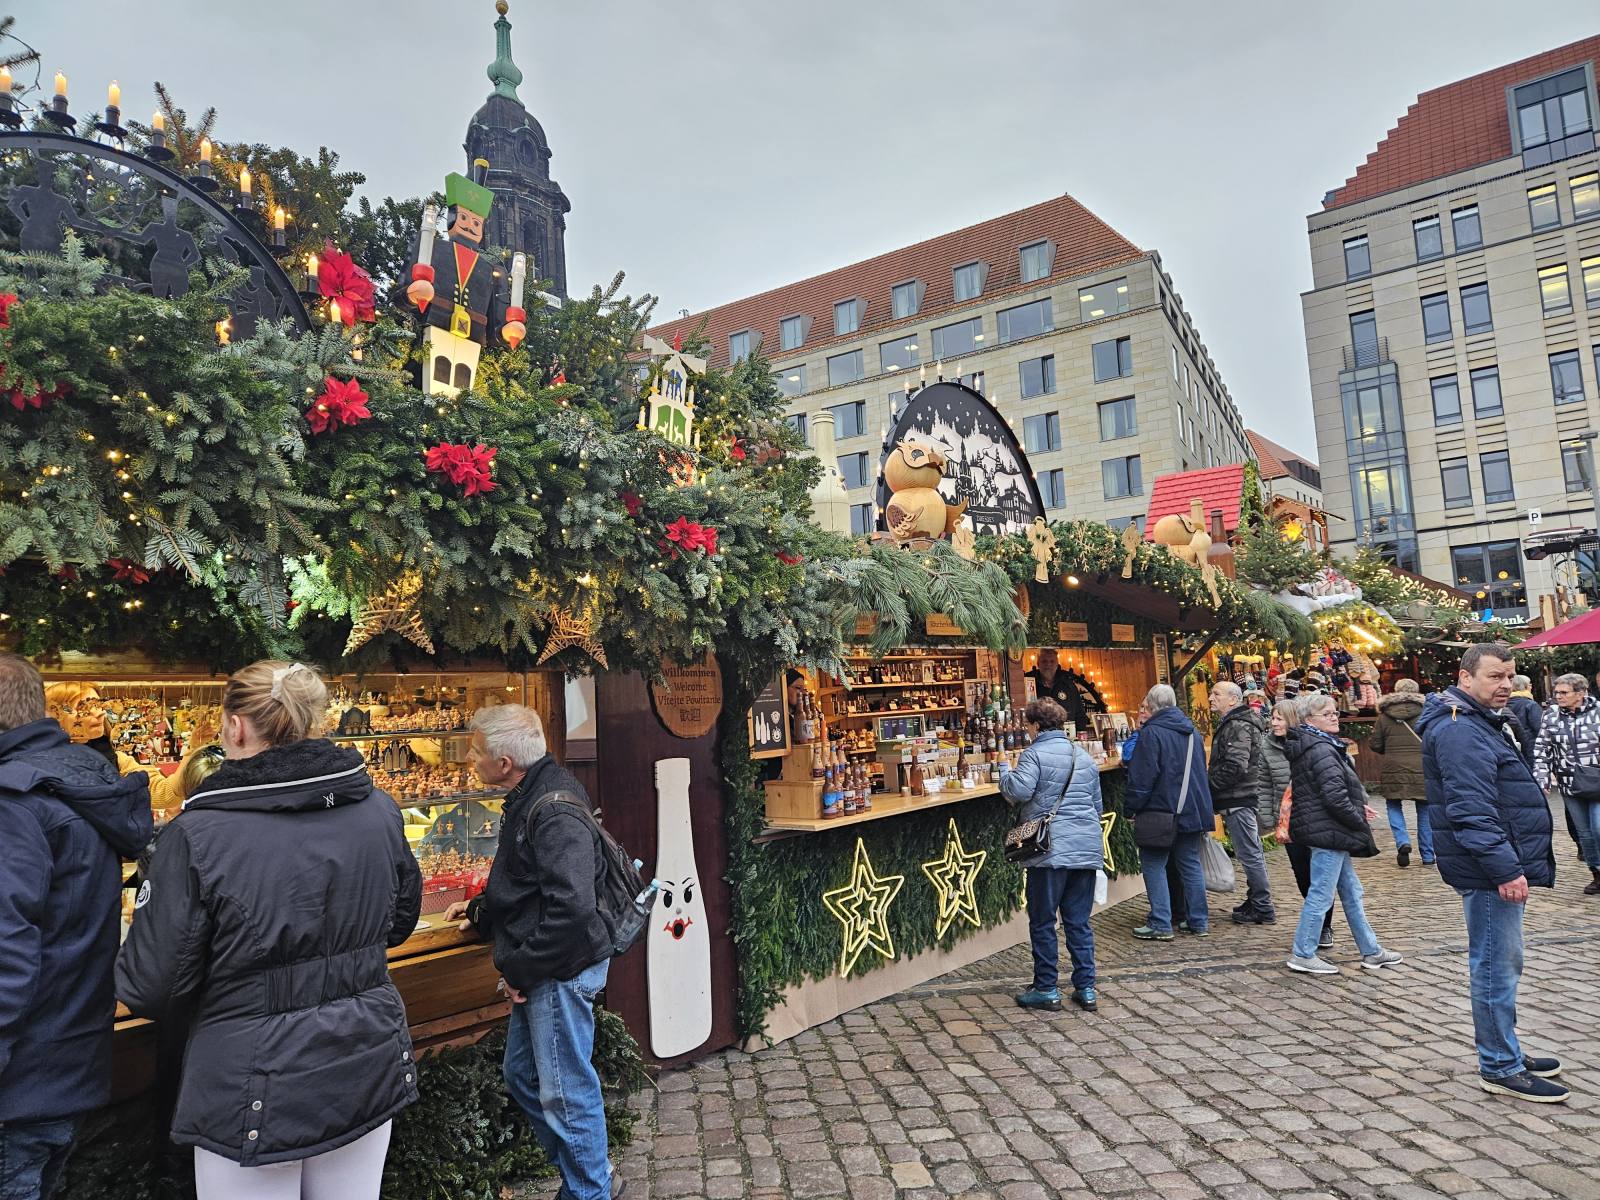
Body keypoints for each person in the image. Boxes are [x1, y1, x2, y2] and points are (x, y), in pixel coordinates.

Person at [116, 661, 421, 1198]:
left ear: (235, 726)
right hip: (363, 1056)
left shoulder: (199, 835)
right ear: (315, 721)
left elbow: (151, 984)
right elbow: (399, 923)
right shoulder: (377, 810)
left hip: (249, 1077)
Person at [445, 705, 621, 1200]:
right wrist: (482, 912)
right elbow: (526, 885)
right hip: (545, 965)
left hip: (559, 969)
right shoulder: (529, 795)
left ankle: (590, 1191)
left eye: (477, 751)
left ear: (505, 762)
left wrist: (520, 970)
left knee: (565, 1093)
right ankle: (590, 1176)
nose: (470, 760)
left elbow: (570, 910)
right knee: (523, 1076)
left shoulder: (553, 809)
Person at [0, 654, 152, 1200]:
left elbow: (6, 955)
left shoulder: (14, 803)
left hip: (18, 1086)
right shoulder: (78, 786)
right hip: (69, 1067)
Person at [1420, 643, 1565, 1103]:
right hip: (1487, 871)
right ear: (1466, 679)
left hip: (1494, 864)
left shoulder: (1480, 722)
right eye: (1494, 677)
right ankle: (1500, 1065)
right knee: (1494, 968)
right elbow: (1472, 811)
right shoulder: (1461, 730)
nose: (1504, 685)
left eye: (1509, 676)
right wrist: (1505, 869)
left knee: (1505, 963)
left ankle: (1508, 1051)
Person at [1284, 692, 1402, 975]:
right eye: (1327, 713)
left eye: (1334, 711)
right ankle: (1303, 952)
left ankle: (1371, 950)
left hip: (1329, 830)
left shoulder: (1318, 744)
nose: (1334, 716)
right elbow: (1334, 797)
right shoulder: (1321, 749)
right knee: (1321, 894)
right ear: (1309, 719)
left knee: (1351, 892)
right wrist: (1357, 819)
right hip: (1329, 831)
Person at [1002, 698, 1104, 1013]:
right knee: (1078, 921)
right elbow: (1097, 806)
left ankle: (1046, 987)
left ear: (1034, 726)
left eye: (1028, 726)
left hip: (1049, 851)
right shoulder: (1082, 756)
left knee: (1044, 921)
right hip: (1085, 849)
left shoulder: (1034, 753)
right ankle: (1086, 988)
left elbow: (1018, 792)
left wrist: (1004, 770)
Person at [1125, 684, 1213, 941]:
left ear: (1150, 706)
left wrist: (1131, 807)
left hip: (1160, 810)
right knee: (1189, 863)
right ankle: (1198, 920)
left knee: (1153, 864)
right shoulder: (1191, 732)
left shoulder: (1151, 734)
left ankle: (1161, 922)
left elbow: (1142, 778)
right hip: (1191, 809)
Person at [1207, 681, 1275, 924]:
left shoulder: (1238, 725)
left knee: (1249, 853)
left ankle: (1262, 906)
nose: (1211, 697)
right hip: (1239, 796)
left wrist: (1209, 785)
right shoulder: (1236, 723)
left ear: (1233, 700)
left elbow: (1236, 765)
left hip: (1240, 798)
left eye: (1216, 693)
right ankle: (1256, 899)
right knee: (1250, 851)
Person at [1269, 700, 1335, 951]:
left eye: (1279, 718)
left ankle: (1323, 927)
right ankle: (1316, 920)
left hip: (1315, 818)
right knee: (1302, 876)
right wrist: (1269, 816)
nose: (1274, 723)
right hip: (1288, 820)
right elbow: (1265, 784)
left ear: (1293, 720)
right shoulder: (1268, 746)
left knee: (1321, 877)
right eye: (1272, 718)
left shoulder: (1314, 744)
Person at [1532, 673, 1600, 896]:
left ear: (1580, 693)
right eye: (1556, 693)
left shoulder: (1598, 713)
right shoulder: (1551, 718)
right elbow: (1542, 751)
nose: (1558, 697)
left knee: (1599, 828)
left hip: (1597, 781)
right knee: (1585, 833)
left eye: (1563, 692)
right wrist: (1541, 779)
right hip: (1570, 784)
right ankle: (1597, 873)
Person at [1369, 678, 1432, 868]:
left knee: (1393, 804)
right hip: (1422, 766)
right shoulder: (1427, 712)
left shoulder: (1384, 716)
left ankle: (1402, 841)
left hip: (1393, 766)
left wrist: (1390, 751)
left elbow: (1375, 744)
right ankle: (1428, 855)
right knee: (1425, 809)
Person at [1026, 649, 1088, 731]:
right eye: (1044, 661)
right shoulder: (1029, 684)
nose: (1048, 664)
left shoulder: (1068, 685)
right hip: (1039, 735)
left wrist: (1081, 735)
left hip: (1066, 735)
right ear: (1038, 664)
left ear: (1057, 664)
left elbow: (1080, 714)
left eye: (1052, 661)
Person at [1506, 675, 1542, 773]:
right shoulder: (1530, 704)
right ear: (1525, 686)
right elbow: (1539, 729)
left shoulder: (1504, 704)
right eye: (1529, 684)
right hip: (1530, 748)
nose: (1531, 686)